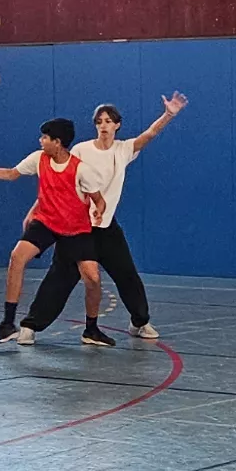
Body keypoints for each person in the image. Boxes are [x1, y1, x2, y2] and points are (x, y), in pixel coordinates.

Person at [26, 92, 187, 340]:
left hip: (106, 227)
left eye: (108, 121)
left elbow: (150, 134)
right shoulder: (80, 150)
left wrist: (168, 114)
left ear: (117, 125)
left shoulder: (124, 150)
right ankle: (30, 326)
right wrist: (36, 208)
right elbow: (57, 181)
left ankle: (140, 322)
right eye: (99, 121)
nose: (104, 125)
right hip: (77, 228)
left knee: (127, 275)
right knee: (60, 277)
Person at [0, 118, 110, 346]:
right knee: (17, 257)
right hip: (47, 222)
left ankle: (91, 330)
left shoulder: (81, 169)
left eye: (45, 138)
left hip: (76, 228)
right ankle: (8, 324)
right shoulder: (38, 159)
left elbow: (99, 201)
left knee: (92, 278)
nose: (40, 141)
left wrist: (98, 213)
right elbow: (11, 174)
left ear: (58, 142)